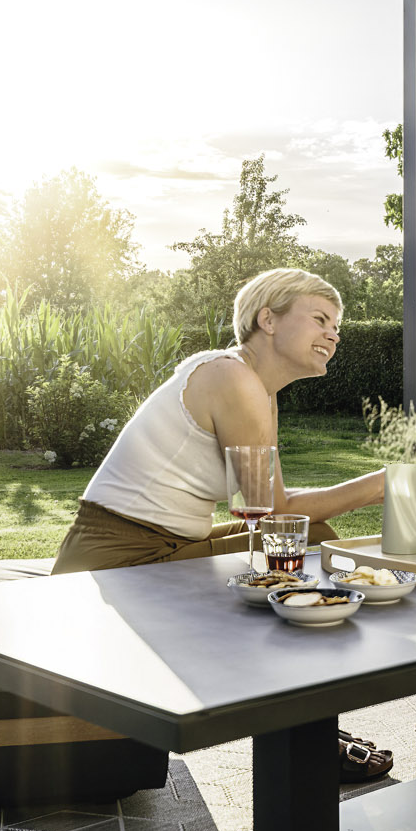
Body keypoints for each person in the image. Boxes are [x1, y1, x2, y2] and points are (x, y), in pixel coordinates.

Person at [50, 268, 393, 780]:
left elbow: (272, 508)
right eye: (320, 319)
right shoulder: (232, 377)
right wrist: (388, 481)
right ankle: (305, 738)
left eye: (337, 325)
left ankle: (307, 721)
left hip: (158, 546)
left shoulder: (253, 385)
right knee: (302, 555)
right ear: (268, 319)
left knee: (308, 543)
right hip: (117, 559)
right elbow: (275, 512)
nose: (334, 334)